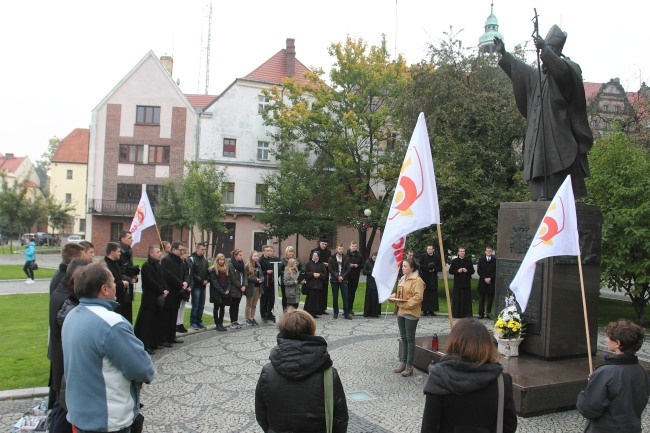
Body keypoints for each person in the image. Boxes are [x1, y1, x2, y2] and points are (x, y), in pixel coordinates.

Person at [494, 25, 593, 201]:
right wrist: (505, 55)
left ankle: (554, 199)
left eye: (551, 50)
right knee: (539, 164)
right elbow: (521, 70)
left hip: (558, 133)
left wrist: (546, 50)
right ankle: (540, 197)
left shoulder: (569, 68)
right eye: (544, 50)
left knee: (557, 167)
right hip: (539, 135)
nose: (544, 55)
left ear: (557, 52)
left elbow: (562, 73)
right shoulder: (538, 76)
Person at [62, 261, 154, 433]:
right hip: (107, 419)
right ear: (104, 289)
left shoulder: (72, 315)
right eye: (112, 283)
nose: (115, 287)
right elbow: (143, 368)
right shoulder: (111, 323)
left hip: (80, 413)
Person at [255, 307, 348, 432]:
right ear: (312, 331)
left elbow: (261, 415)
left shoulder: (267, 372)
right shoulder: (329, 374)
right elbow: (340, 419)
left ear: (283, 330)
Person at [421, 318, 517, 433]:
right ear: (487, 345)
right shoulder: (501, 381)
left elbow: (429, 427)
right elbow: (509, 425)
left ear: (454, 341)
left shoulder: (439, 377)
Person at [576, 320, 650, 433]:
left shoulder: (606, 373)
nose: (606, 339)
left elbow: (588, 408)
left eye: (609, 337)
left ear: (618, 343)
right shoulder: (641, 372)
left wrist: (591, 386)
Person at [48, 258, 89, 433]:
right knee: (63, 410)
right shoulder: (66, 299)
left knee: (62, 405)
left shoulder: (64, 293)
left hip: (64, 361)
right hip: (66, 362)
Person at [389, 258, 425, 377]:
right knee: (403, 337)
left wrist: (405, 304)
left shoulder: (417, 280)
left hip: (411, 312)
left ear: (412, 268)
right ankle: (403, 362)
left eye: (405, 266)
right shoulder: (402, 278)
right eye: (402, 266)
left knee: (410, 338)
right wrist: (392, 297)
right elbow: (399, 293)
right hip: (401, 311)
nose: (402, 268)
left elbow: (418, 297)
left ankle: (409, 366)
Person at [134, 245, 168, 354]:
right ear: (151, 253)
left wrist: (165, 289)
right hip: (149, 298)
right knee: (146, 322)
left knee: (155, 321)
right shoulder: (146, 266)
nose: (160, 253)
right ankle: (145, 345)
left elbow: (162, 279)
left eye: (160, 252)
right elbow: (150, 281)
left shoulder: (159, 265)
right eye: (158, 252)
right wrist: (161, 290)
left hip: (158, 297)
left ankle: (154, 342)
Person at [160, 241, 188, 346]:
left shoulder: (180, 260)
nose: (182, 252)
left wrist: (185, 281)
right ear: (173, 249)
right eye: (180, 250)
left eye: (182, 250)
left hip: (178, 292)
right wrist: (181, 283)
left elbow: (185, 272)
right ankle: (164, 338)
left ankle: (172, 336)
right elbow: (168, 275)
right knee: (167, 316)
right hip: (170, 291)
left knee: (174, 315)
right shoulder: (166, 260)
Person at [104, 242, 131, 321]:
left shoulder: (115, 263)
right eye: (118, 251)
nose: (120, 253)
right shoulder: (106, 265)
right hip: (112, 300)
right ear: (112, 252)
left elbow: (119, 276)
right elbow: (107, 284)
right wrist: (121, 284)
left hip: (119, 298)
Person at [117, 230, 137, 323]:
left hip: (129, 283)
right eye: (129, 238)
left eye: (131, 237)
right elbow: (119, 270)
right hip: (123, 284)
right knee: (123, 310)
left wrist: (134, 274)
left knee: (128, 309)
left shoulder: (129, 250)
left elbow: (129, 266)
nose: (132, 240)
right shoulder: (120, 251)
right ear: (122, 239)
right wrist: (129, 279)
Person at [449, 247, 475, 318]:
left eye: (464, 251)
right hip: (458, 283)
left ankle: (466, 314)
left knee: (466, 299)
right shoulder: (454, 261)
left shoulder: (469, 261)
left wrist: (467, 271)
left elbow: (472, 271)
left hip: (466, 282)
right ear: (458, 252)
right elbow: (451, 271)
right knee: (457, 299)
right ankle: (456, 313)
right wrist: (458, 271)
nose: (463, 252)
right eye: (461, 251)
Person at [329, 243, 352, 320]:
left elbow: (348, 268)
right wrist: (337, 276)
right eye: (339, 249)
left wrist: (342, 276)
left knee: (345, 297)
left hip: (344, 280)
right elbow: (330, 269)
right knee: (335, 297)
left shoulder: (346, 258)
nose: (341, 250)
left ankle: (346, 313)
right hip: (334, 280)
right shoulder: (332, 258)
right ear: (336, 249)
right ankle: (335, 313)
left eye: (342, 249)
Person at [189, 242, 209, 330]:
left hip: (203, 286)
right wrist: (200, 280)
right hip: (196, 286)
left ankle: (199, 321)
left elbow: (208, 272)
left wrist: (207, 280)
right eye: (202, 249)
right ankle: (193, 322)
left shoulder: (205, 260)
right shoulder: (192, 259)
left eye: (205, 249)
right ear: (197, 249)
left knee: (201, 305)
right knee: (195, 305)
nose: (204, 251)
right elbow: (191, 273)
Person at [208, 253, 231, 332]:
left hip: (224, 291)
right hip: (217, 292)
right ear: (217, 260)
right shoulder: (213, 269)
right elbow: (214, 282)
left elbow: (228, 280)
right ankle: (217, 324)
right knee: (216, 308)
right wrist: (222, 291)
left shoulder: (225, 268)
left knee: (222, 308)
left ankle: (221, 323)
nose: (222, 261)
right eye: (220, 260)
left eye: (223, 260)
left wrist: (227, 289)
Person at [303, 251, 328, 318]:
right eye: (314, 256)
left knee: (317, 299)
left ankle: (315, 312)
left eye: (316, 256)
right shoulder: (308, 264)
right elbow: (305, 273)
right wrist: (312, 274)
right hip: (311, 284)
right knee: (310, 299)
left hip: (318, 285)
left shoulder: (321, 264)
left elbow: (325, 274)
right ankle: (309, 312)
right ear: (312, 256)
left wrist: (319, 274)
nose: (315, 257)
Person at [419, 245, 442, 316]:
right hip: (425, 277)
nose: (428, 250)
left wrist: (434, 269)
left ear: (433, 250)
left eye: (430, 249)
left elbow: (440, 267)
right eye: (428, 249)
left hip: (433, 277)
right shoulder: (423, 256)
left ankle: (432, 310)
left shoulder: (437, 257)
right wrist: (428, 268)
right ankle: (425, 310)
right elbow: (421, 265)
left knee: (433, 293)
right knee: (425, 293)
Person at [311, 238, 331, 315]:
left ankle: (323, 308)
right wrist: (322, 263)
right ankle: (316, 308)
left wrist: (328, 264)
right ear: (319, 243)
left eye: (326, 244)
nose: (324, 245)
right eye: (323, 244)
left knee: (324, 291)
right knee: (317, 291)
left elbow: (330, 261)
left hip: (324, 273)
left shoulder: (328, 252)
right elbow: (311, 261)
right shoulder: (314, 251)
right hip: (316, 273)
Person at [227, 249, 246, 329]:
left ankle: (236, 320)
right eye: (240, 255)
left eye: (241, 255)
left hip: (241, 288)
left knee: (237, 305)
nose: (241, 257)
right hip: (234, 288)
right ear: (235, 255)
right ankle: (233, 321)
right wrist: (240, 286)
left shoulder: (241, 264)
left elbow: (245, 275)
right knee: (233, 305)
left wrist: (244, 285)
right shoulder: (231, 265)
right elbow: (233, 278)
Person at [258, 245, 278, 323]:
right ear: (264, 251)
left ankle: (269, 313)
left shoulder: (271, 259)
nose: (269, 252)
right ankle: (263, 315)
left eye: (270, 251)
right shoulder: (260, 260)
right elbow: (259, 272)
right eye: (267, 251)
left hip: (271, 281)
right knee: (264, 299)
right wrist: (266, 271)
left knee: (271, 298)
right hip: (264, 282)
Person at [244, 250, 263, 326]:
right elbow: (246, 277)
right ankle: (247, 318)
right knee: (249, 304)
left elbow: (261, 275)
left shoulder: (258, 265)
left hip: (258, 287)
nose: (256, 257)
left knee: (254, 304)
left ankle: (252, 317)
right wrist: (255, 279)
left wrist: (262, 279)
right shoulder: (247, 266)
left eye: (257, 256)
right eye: (255, 256)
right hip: (251, 287)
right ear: (251, 257)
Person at [280, 246, 302, 311]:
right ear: (286, 252)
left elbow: (301, 269)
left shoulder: (297, 260)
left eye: (292, 251)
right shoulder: (283, 261)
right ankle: (285, 311)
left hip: (295, 282)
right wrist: (288, 272)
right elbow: (279, 270)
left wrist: (297, 274)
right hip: (286, 282)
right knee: (286, 298)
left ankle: (293, 312)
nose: (291, 253)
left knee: (295, 298)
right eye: (289, 251)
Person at [477, 246, 496, 319]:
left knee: (490, 299)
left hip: (491, 282)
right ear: (485, 251)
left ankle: (488, 314)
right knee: (482, 299)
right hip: (482, 282)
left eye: (490, 251)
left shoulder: (495, 260)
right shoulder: (481, 260)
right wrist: (485, 278)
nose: (488, 252)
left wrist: (490, 278)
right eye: (487, 251)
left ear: (492, 252)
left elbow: (495, 271)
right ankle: (481, 314)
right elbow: (479, 271)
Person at [176, 247, 192, 333]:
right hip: (182, 286)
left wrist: (190, 285)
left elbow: (189, 275)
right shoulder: (180, 263)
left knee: (182, 307)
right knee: (179, 307)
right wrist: (184, 285)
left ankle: (180, 323)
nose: (187, 255)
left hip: (187, 287)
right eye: (186, 253)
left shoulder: (187, 263)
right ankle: (177, 324)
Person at [345, 241, 364, 315]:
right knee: (346, 293)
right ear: (350, 247)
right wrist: (349, 265)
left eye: (355, 246)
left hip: (355, 276)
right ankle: (345, 308)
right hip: (347, 276)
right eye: (353, 246)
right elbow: (343, 264)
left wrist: (357, 265)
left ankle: (350, 308)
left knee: (352, 293)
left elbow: (362, 265)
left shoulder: (359, 255)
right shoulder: (346, 255)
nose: (354, 247)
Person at [362, 252, 380, 318]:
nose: (375, 259)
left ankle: (375, 313)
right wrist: (371, 271)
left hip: (377, 282)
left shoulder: (379, 263)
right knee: (369, 298)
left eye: (376, 258)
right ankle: (367, 312)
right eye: (374, 257)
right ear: (372, 256)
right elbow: (364, 272)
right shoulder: (367, 262)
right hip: (370, 282)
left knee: (375, 298)